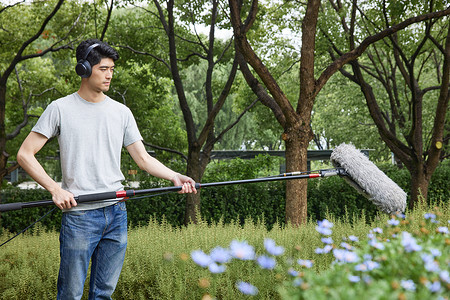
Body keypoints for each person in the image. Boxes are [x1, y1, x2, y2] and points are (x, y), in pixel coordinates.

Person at [16, 38, 197, 299]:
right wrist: (55, 189)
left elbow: (143, 159)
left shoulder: (121, 112)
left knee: (103, 294)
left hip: (116, 213)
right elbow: (25, 154)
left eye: (112, 69)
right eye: (103, 69)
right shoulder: (60, 109)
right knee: (70, 294)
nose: (109, 75)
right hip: (79, 217)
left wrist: (174, 176)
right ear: (84, 69)